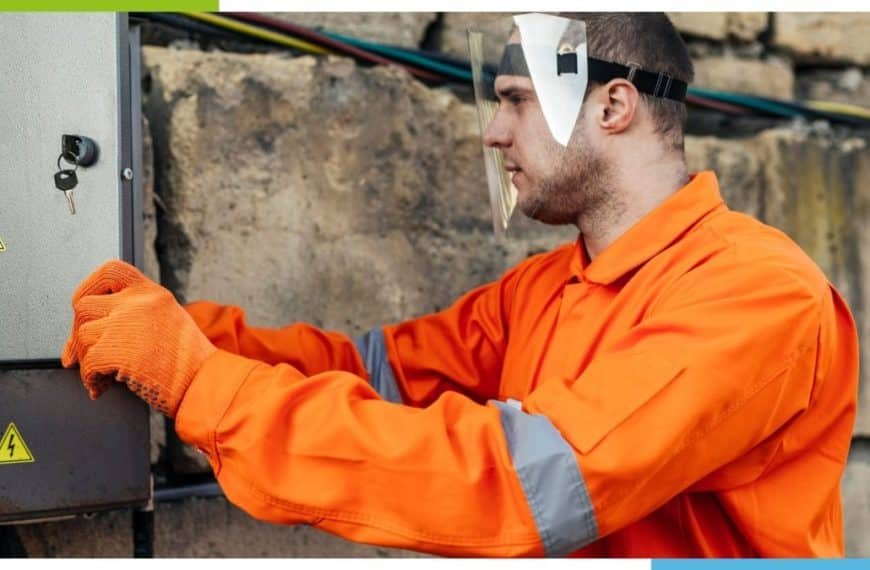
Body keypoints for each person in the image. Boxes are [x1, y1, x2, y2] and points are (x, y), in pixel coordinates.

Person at [62, 13, 858, 557]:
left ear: (614, 105)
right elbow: (374, 372)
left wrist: (204, 387)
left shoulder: (755, 294)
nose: (493, 130)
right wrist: (183, 334)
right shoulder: (547, 288)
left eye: (515, 101)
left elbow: (519, 484)